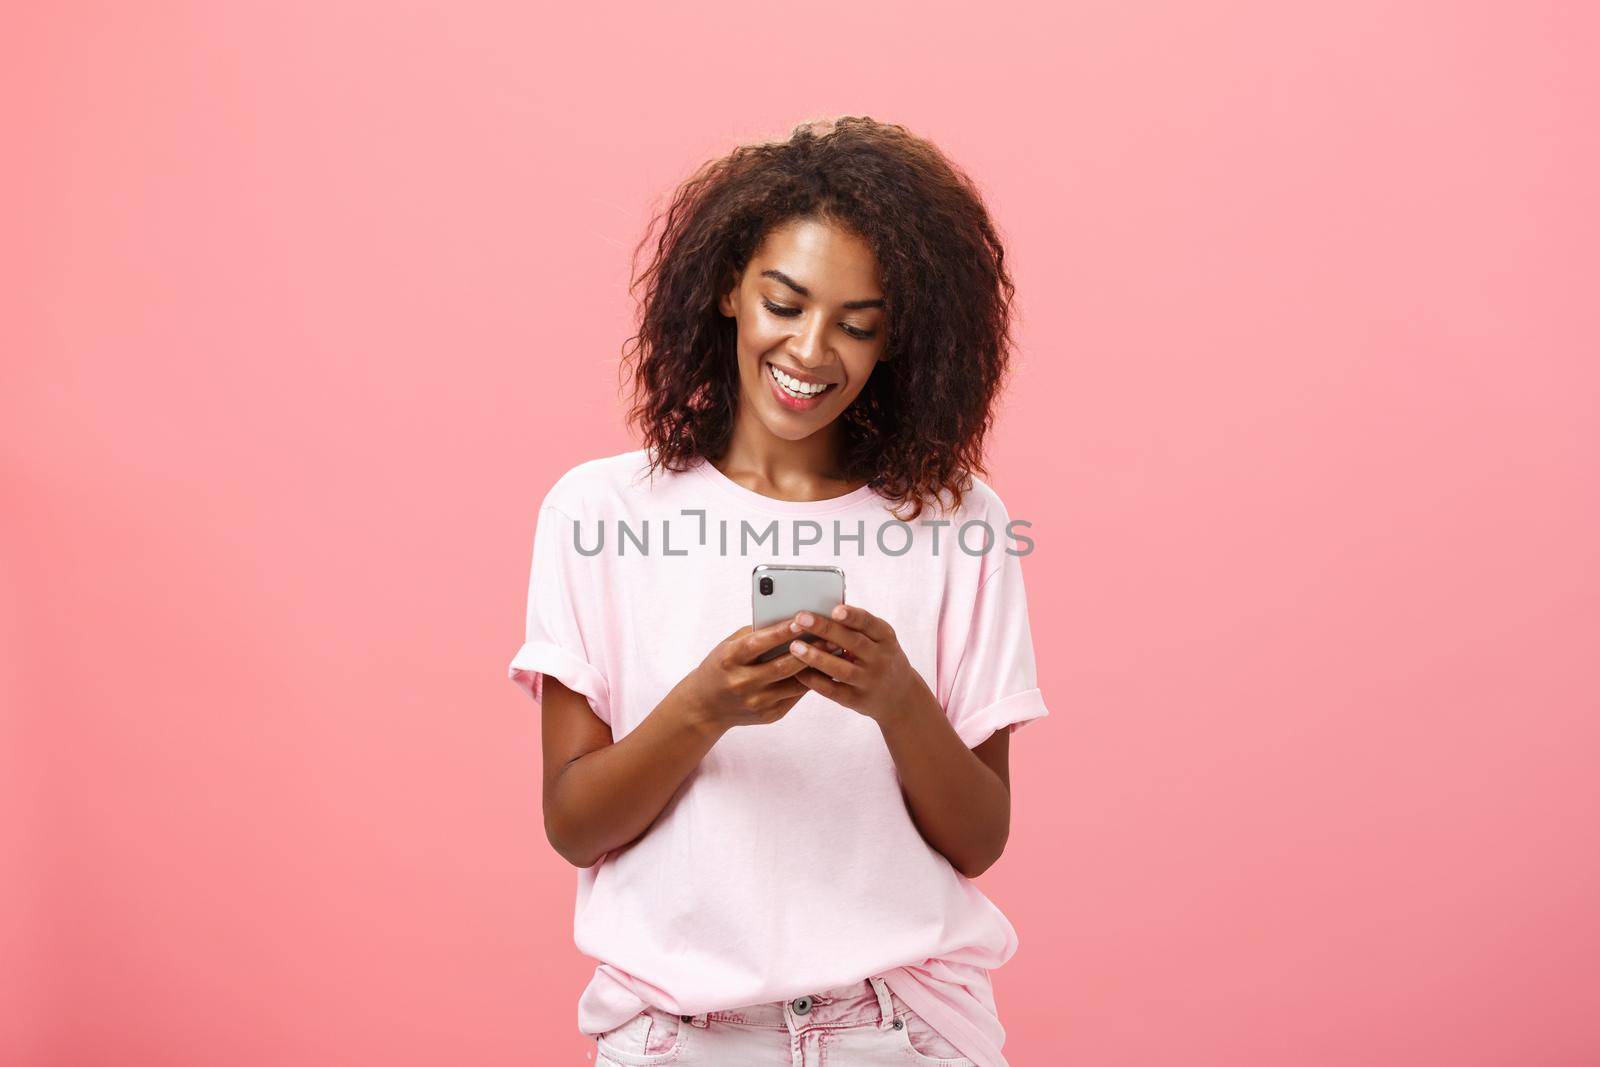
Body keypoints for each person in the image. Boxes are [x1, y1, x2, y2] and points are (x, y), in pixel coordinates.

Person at [508, 115, 1049, 1067]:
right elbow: (573, 823)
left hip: (904, 1031)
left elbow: (979, 840)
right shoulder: (596, 509)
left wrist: (897, 702)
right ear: (727, 289)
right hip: (680, 1038)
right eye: (785, 302)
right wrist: (704, 708)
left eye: (857, 324)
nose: (810, 349)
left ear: (896, 342)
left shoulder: (961, 521)